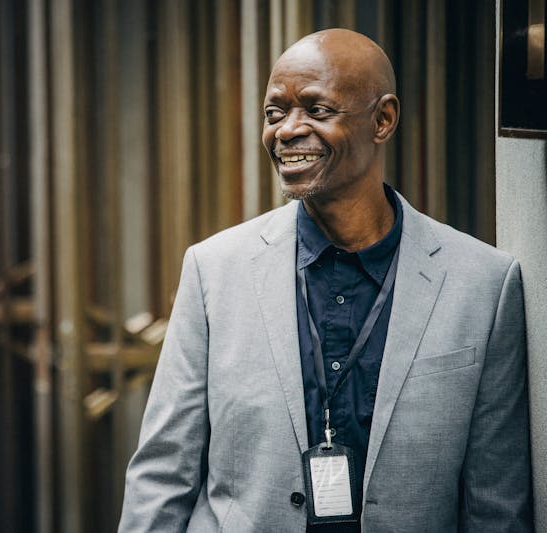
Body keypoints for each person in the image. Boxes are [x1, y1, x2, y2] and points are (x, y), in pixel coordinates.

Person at [118, 28, 532, 532]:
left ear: (382, 120)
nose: (287, 130)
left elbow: (497, 502)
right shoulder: (213, 269)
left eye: (316, 110)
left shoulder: (484, 284)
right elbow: (163, 474)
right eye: (275, 113)